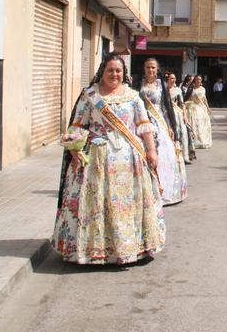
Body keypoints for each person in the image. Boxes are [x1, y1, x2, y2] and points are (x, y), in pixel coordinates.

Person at [53, 53, 165, 264]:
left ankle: (131, 248)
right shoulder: (90, 96)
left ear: (124, 73)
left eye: (118, 71)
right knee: (97, 204)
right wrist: (74, 149)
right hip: (96, 160)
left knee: (127, 203)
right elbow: (77, 125)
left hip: (130, 161)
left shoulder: (133, 96)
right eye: (110, 70)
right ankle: (93, 250)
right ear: (102, 72)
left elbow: (144, 126)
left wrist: (152, 151)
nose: (114, 74)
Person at [137, 59, 187, 205]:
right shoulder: (138, 84)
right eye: (148, 67)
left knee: (165, 154)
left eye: (153, 67)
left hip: (159, 122)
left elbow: (166, 107)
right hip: (141, 121)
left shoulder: (161, 85)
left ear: (157, 69)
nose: (150, 70)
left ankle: (164, 189)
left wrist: (170, 126)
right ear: (144, 69)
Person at [167, 72, 195, 165]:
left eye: (174, 78)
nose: (173, 80)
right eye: (171, 78)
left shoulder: (178, 90)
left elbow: (182, 104)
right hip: (167, 114)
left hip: (177, 113)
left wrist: (185, 116)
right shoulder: (163, 90)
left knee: (183, 133)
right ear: (167, 79)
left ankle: (185, 156)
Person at [184, 75, 214, 149]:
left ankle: (202, 140)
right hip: (193, 108)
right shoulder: (191, 89)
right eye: (197, 79)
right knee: (194, 124)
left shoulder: (203, 89)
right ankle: (194, 140)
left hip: (201, 108)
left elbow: (204, 99)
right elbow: (187, 98)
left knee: (202, 124)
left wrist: (208, 108)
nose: (198, 81)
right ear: (195, 80)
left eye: (200, 79)